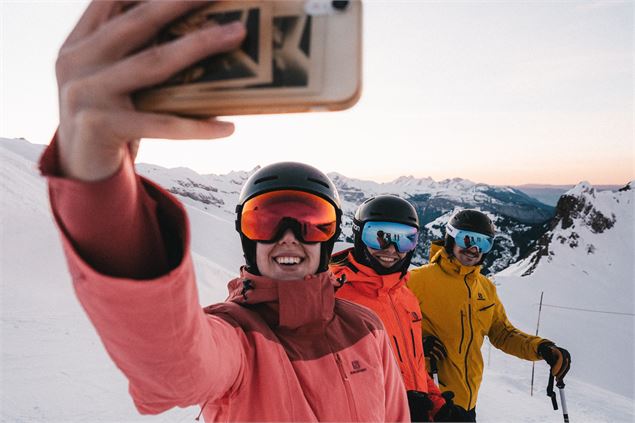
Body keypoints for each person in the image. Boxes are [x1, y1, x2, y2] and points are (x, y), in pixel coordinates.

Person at [40, 2, 409, 421]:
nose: (289, 237)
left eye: (310, 222)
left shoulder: (366, 327)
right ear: (246, 234)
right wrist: (98, 179)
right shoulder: (235, 337)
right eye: (267, 219)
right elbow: (172, 370)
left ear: (332, 235)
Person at [407, 209, 572, 421]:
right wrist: (418, 345)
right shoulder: (417, 280)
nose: (474, 249)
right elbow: (390, 330)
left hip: (467, 405)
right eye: (467, 239)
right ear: (450, 239)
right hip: (429, 403)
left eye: (483, 243)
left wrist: (542, 348)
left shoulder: (485, 288)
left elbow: (503, 333)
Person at [330, 195, 470, 422]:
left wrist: (438, 405)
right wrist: (396, 402)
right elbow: (328, 382)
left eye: (405, 239)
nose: (392, 249)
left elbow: (414, 365)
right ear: (358, 236)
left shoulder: (405, 296)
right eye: (379, 237)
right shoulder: (333, 295)